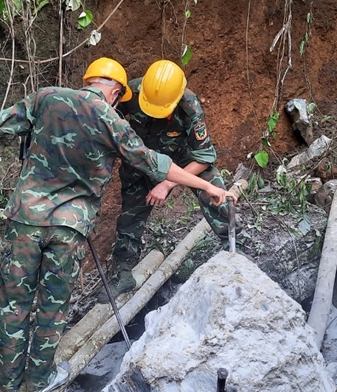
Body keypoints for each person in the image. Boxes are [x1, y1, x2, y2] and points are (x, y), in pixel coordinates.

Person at [0, 57, 238, 392]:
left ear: (89, 79)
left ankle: (2, 385)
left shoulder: (45, 96)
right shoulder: (110, 118)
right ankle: (39, 382)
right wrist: (206, 186)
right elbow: (152, 162)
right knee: (51, 309)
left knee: (14, 307)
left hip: (25, 218)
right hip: (68, 227)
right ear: (118, 92)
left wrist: (38, 130)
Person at [102, 59, 238, 302]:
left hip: (180, 155)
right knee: (130, 213)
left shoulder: (189, 105)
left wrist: (167, 183)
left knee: (213, 188)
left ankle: (234, 246)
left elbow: (205, 157)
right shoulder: (129, 94)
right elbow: (106, 128)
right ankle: (122, 273)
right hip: (141, 155)